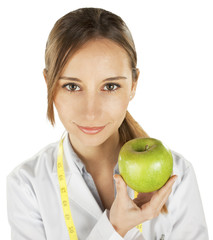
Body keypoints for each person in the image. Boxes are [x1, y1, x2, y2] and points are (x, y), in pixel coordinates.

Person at [6, 7, 209, 240]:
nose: (91, 113)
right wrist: (114, 228)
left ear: (133, 84)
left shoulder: (177, 177)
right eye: (72, 86)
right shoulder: (26, 185)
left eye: (110, 86)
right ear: (48, 84)